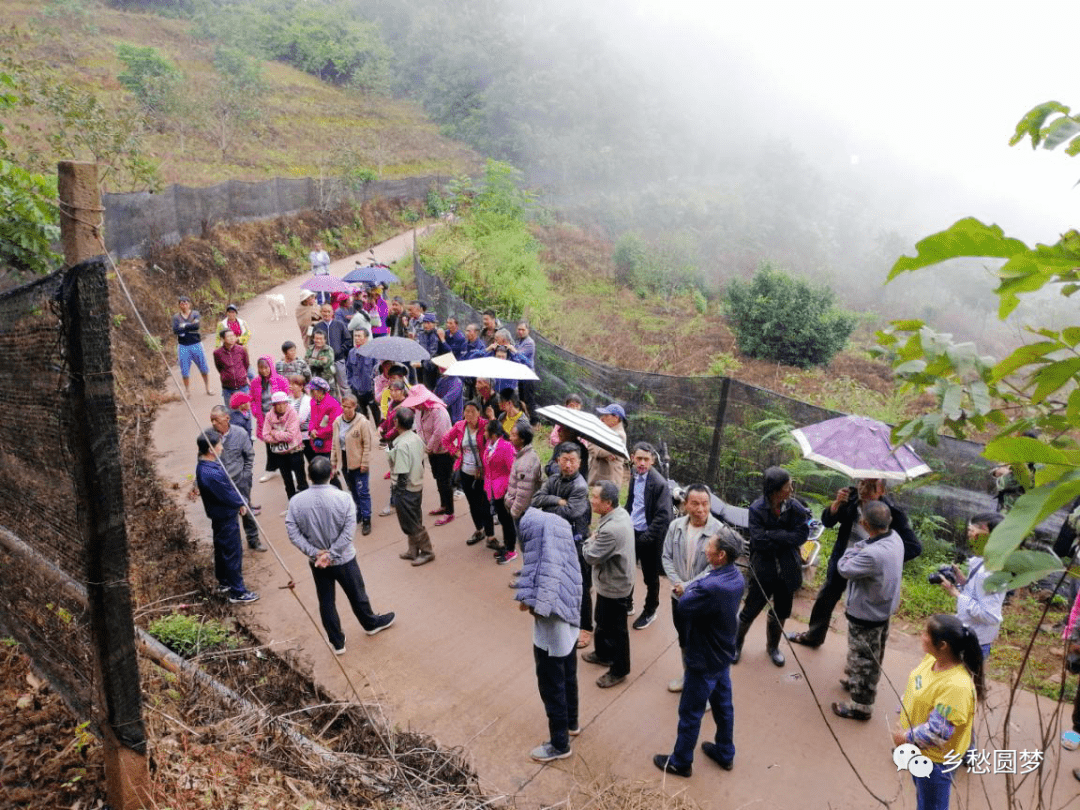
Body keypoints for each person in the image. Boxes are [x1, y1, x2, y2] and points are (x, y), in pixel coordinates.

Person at [653, 531, 744, 778]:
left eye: (710, 546)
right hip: (722, 654)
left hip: (703, 658)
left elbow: (684, 606)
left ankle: (681, 761)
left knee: (690, 712)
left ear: (721, 555)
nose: (706, 549)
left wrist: (687, 591)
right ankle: (726, 753)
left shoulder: (711, 586)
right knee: (723, 707)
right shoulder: (736, 577)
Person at [790, 478, 920, 648]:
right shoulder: (850, 498)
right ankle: (814, 636)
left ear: (882, 491)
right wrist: (836, 504)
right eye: (862, 483)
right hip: (843, 560)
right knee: (826, 597)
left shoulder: (891, 513)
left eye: (871, 487)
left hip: (870, 570)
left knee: (866, 613)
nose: (863, 489)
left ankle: (862, 655)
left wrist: (884, 559)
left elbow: (914, 547)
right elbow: (828, 522)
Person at [286, 456, 394, 653]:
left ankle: (337, 641)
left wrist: (315, 553)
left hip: (317, 562)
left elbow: (292, 532)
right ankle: (370, 624)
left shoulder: (296, 502)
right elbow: (348, 532)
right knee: (357, 594)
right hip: (344, 559)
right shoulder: (343, 498)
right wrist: (333, 553)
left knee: (326, 601)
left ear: (309, 476)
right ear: (331, 474)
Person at [893, 614, 983, 810]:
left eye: (926, 633)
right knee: (924, 798)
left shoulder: (956, 686)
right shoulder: (932, 660)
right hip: (920, 751)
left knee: (932, 805)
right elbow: (918, 685)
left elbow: (938, 732)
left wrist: (905, 737)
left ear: (942, 645)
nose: (921, 635)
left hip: (935, 762)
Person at [515, 507, 582, 763]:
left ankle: (559, 744)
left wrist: (529, 603)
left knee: (551, 686)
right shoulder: (563, 546)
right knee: (569, 677)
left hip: (551, 637)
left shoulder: (545, 568)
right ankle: (572, 723)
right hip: (569, 630)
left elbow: (537, 604)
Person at [831, 500, 905, 721]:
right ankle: (858, 681)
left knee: (863, 657)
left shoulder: (872, 554)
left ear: (864, 523)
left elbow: (843, 567)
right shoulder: (895, 538)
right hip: (882, 607)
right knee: (873, 653)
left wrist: (854, 548)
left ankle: (861, 706)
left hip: (866, 612)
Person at [735, 467, 809, 667]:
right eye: (787, 486)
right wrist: (786, 536)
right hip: (763, 571)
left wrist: (773, 534)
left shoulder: (796, 508)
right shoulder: (757, 509)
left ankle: (773, 647)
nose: (791, 489)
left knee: (781, 612)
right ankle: (736, 645)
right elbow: (758, 541)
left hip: (788, 570)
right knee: (750, 610)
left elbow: (801, 536)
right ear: (775, 490)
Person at [662, 483, 731, 693]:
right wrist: (677, 583)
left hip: (704, 600)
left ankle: (706, 690)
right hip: (679, 598)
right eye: (695, 504)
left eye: (705, 504)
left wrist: (688, 586)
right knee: (685, 639)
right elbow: (666, 557)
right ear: (685, 504)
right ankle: (688, 678)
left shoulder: (719, 532)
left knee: (704, 644)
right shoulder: (676, 526)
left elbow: (715, 567)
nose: (700, 509)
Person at [533, 443, 592, 646]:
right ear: (557, 461)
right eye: (564, 460)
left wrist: (548, 508)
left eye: (572, 461)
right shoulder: (554, 479)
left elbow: (571, 513)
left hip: (576, 542)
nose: (568, 465)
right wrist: (558, 500)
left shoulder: (580, 487)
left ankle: (586, 627)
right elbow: (536, 499)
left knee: (581, 585)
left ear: (579, 463)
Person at [581, 481, 635, 688]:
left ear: (608, 503)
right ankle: (603, 654)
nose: (591, 500)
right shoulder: (620, 513)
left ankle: (619, 669)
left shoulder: (611, 529)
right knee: (601, 620)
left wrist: (589, 539)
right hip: (609, 582)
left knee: (617, 630)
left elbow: (591, 556)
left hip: (615, 586)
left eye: (595, 497)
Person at [194, 429, 258, 603]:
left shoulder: (206, 465)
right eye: (219, 445)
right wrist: (241, 503)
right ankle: (238, 592)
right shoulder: (211, 473)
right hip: (225, 517)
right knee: (232, 552)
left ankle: (224, 582)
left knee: (222, 549)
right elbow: (228, 494)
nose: (222, 448)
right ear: (210, 449)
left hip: (220, 515)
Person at [939, 512, 1006, 659]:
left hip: (975, 643)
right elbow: (976, 595)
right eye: (971, 528)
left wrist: (957, 594)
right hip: (968, 635)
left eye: (977, 528)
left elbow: (990, 615)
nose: (970, 532)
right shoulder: (983, 560)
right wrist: (961, 580)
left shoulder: (990, 572)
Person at [625, 442, 673, 631]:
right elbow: (631, 503)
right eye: (639, 459)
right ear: (632, 458)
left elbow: (664, 516)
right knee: (627, 569)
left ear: (652, 460)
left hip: (650, 537)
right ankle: (627, 603)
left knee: (650, 576)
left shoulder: (659, 484)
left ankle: (650, 610)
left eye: (646, 459)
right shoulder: (634, 476)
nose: (642, 463)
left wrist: (646, 537)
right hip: (632, 531)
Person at [207, 405, 265, 551]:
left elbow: (249, 456)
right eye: (211, 420)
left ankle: (253, 540)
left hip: (240, 481)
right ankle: (232, 545)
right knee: (226, 515)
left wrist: (246, 476)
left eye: (216, 419)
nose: (213, 423)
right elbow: (203, 460)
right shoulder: (208, 436)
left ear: (227, 418)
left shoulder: (240, 433)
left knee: (246, 510)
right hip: (220, 483)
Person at [388, 407, 434, 566]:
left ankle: (427, 552)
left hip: (406, 489)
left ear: (396, 422)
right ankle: (413, 550)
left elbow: (401, 473)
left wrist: (398, 494)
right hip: (417, 485)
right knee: (413, 518)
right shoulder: (416, 438)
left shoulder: (401, 445)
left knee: (411, 523)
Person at [442, 401, 492, 547]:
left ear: (479, 413)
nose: (469, 414)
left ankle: (490, 535)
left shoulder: (486, 425)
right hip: (465, 472)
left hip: (482, 473)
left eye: (472, 411)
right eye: (466, 411)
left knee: (485, 504)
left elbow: (497, 438)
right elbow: (446, 439)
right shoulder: (459, 426)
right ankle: (479, 530)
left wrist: (493, 418)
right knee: (472, 503)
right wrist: (456, 452)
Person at [405, 384, 455, 526]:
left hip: (443, 451)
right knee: (438, 479)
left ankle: (449, 512)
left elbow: (439, 432)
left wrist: (429, 447)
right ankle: (443, 505)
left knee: (445, 481)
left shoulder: (438, 411)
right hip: (431, 450)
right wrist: (424, 445)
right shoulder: (419, 411)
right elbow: (419, 429)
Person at [330, 395, 375, 536]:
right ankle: (359, 513)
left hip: (359, 463)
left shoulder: (362, 422)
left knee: (363, 492)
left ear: (355, 406)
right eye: (344, 406)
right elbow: (334, 444)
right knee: (353, 490)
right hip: (345, 464)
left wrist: (365, 463)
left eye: (349, 407)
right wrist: (333, 463)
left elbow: (367, 444)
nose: (346, 409)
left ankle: (367, 519)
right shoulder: (337, 422)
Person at [483, 420, 519, 563]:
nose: (484, 433)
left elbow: (512, 470)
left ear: (493, 433)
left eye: (486, 431)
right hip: (493, 489)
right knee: (503, 519)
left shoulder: (506, 447)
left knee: (507, 520)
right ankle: (507, 544)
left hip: (504, 490)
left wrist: (511, 490)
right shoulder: (489, 445)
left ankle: (511, 550)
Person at [250, 354, 290, 483]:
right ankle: (271, 469)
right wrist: (256, 412)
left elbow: (288, 398)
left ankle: (290, 470)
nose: (264, 370)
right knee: (269, 445)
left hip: (280, 418)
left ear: (271, 367)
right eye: (261, 368)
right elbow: (252, 399)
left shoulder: (281, 380)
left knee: (284, 444)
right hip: (264, 418)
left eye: (266, 367)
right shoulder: (255, 382)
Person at [262, 391, 308, 502]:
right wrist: (280, 435)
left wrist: (274, 433)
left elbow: (290, 436)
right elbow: (265, 436)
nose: (281, 406)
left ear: (287, 403)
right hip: (280, 454)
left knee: (301, 479)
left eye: (283, 403)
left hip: (295, 451)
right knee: (287, 481)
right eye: (278, 404)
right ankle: (292, 503)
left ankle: (306, 502)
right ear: (274, 405)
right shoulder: (269, 416)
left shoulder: (292, 413)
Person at [172, 295, 213, 398]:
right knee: (184, 370)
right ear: (179, 305)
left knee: (203, 367)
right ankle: (187, 391)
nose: (184, 305)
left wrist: (184, 326)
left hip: (196, 344)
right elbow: (176, 330)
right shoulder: (176, 317)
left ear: (189, 304)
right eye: (181, 303)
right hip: (183, 346)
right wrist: (189, 326)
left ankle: (207, 387)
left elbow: (196, 326)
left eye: (186, 303)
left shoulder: (195, 314)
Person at [506, 422, 542, 532]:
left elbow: (524, 494)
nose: (510, 438)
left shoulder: (527, 462)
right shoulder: (522, 455)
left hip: (523, 512)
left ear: (522, 439)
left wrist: (515, 512)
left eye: (513, 435)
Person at [588, 404, 628, 489]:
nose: (603, 418)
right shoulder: (606, 430)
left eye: (606, 415)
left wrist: (596, 446)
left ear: (616, 418)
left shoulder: (619, 434)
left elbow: (598, 452)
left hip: (610, 479)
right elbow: (592, 447)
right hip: (599, 476)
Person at [307, 377, 342, 464]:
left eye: (312, 390)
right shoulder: (313, 402)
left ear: (319, 391)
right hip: (316, 443)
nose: (310, 392)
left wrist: (318, 434)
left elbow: (334, 426)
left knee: (328, 473)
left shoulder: (333, 404)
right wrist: (311, 430)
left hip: (329, 445)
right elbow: (312, 419)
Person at [213, 329, 250, 408]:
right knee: (231, 412)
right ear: (222, 339)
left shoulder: (242, 349)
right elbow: (219, 367)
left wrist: (241, 374)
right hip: (228, 388)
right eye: (228, 336)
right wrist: (226, 376)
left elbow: (246, 364)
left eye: (233, 335)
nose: (232, 338)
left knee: (246, 412)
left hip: (242, 386)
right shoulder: (217, 353)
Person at [515, 321, 538, 425]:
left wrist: (512, 349)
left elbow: (519, 355)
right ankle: (524, 420)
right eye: (519, 329)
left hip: (528, 375)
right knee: (521, 399)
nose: (520, 331)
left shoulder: (529, 342)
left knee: (529, 400)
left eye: (523, 330)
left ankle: (535, 422)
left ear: (528, 331)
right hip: (520, 375)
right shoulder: (518, 341)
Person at [306, 330, 338, 399]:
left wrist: (312, 360)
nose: (318, 341)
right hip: (314, 381)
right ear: (313, 339)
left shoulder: (329, 350)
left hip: (327, 380)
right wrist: (318, 360)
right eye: (316, 338)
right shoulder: (310, 348)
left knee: (330, 400)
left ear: (325, 340)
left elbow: (325, 363)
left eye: (320, 339)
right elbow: (306, 361)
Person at [432, 355, 463, 425]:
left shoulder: (457, 382)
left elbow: (447, 401)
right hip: (442, 416)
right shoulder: (441, 380)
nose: (439, 366)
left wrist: (434, 404)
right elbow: (434, 395)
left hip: (454, 420)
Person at [416, 313, 442, 389]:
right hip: (420, 366)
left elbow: (433, 353)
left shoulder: (436, 335)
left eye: (428, 323)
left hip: (432, 368)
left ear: (434, 324)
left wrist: (423, 365)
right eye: (424, 323)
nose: (426, 325)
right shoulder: (421, 334)